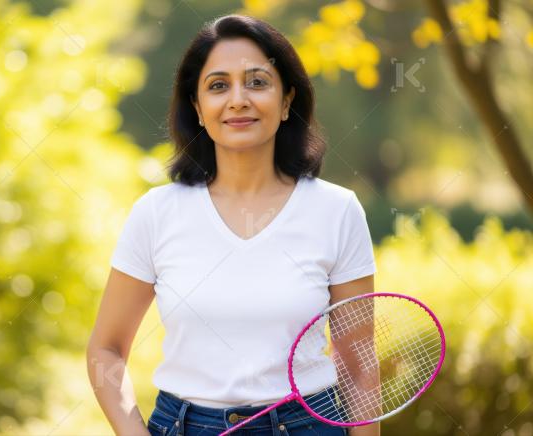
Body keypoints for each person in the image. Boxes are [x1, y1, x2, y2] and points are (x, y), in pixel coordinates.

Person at [87, 14, 379, 436]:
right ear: (198, 108)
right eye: (218, 85)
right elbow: (106, 349)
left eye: (257, 82)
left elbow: (357, 359)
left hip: (308, 425)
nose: (238, 99)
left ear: (286, 102)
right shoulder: (156, 213)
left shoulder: (338, 211)